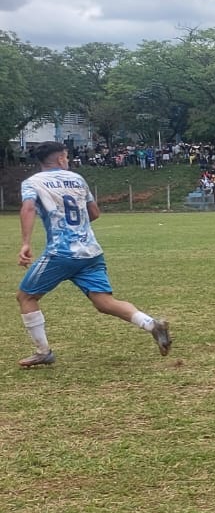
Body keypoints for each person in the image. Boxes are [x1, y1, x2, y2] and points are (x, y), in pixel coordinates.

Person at [15, 141, 172, 367]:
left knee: (26, 297)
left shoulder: (32, 183)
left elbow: (28, 208)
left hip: (61, 252)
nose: (67, 160)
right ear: (60, 159)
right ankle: (151, 324)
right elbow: (94, 213)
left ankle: (43, 351)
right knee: (104, 301)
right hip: (91, 251)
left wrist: (26, 243)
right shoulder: (77, 179)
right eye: (66, 157)